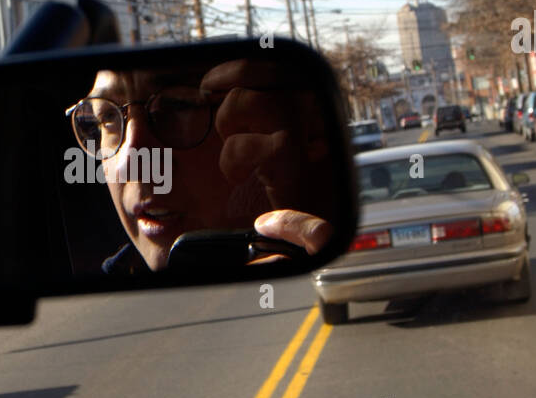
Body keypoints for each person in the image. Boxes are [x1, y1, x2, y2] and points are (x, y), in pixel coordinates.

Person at [66, 55, 338, 274]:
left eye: (177, 106)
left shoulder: (318, 245)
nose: (131, 161)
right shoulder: (112, 296)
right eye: (107, 118)